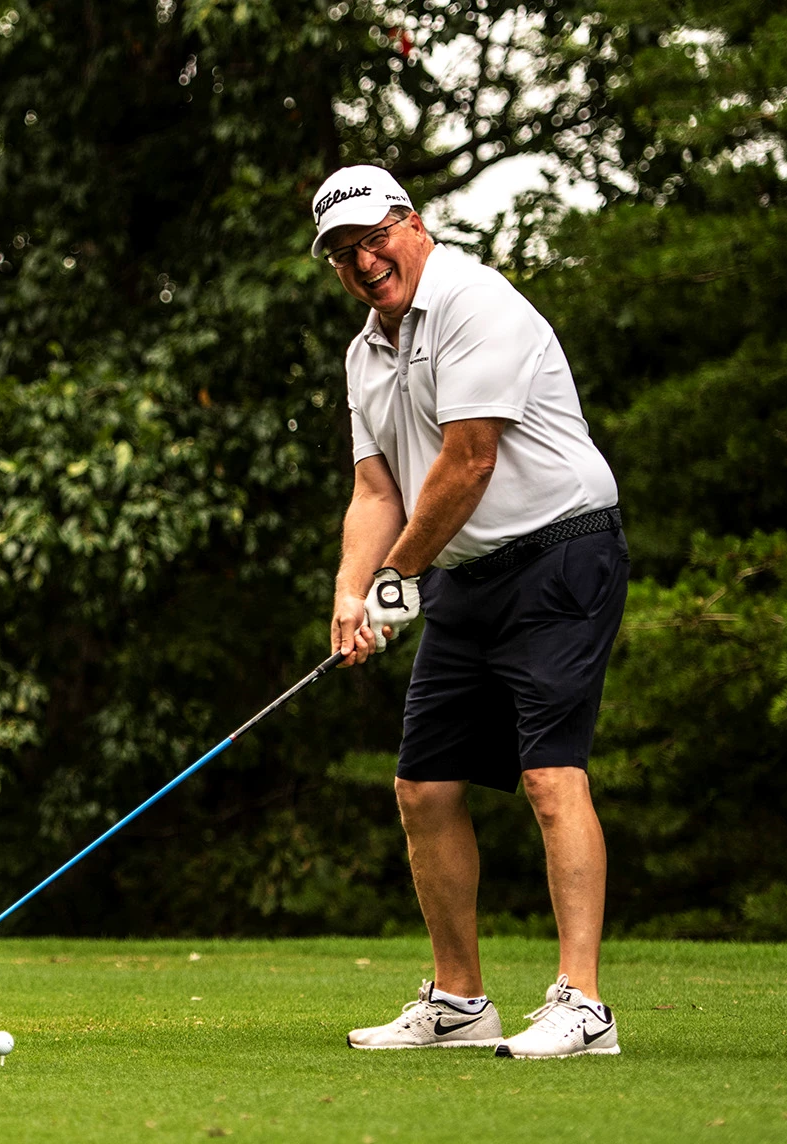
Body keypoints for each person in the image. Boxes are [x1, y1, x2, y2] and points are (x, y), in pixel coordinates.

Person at [312, 168, 628, 1059]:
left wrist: (397, 579)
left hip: (563, 548)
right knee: (425, 785)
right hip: (465, 572)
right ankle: (459, 1001)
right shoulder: (363, 353)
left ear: (413, 223)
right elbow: (376, 487)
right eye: (342, 253)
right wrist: (352, 589)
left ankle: (583, 1005)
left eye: (374, 237)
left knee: (548, 775)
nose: (363, 261)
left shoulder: (475, 301)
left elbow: (471, 459)